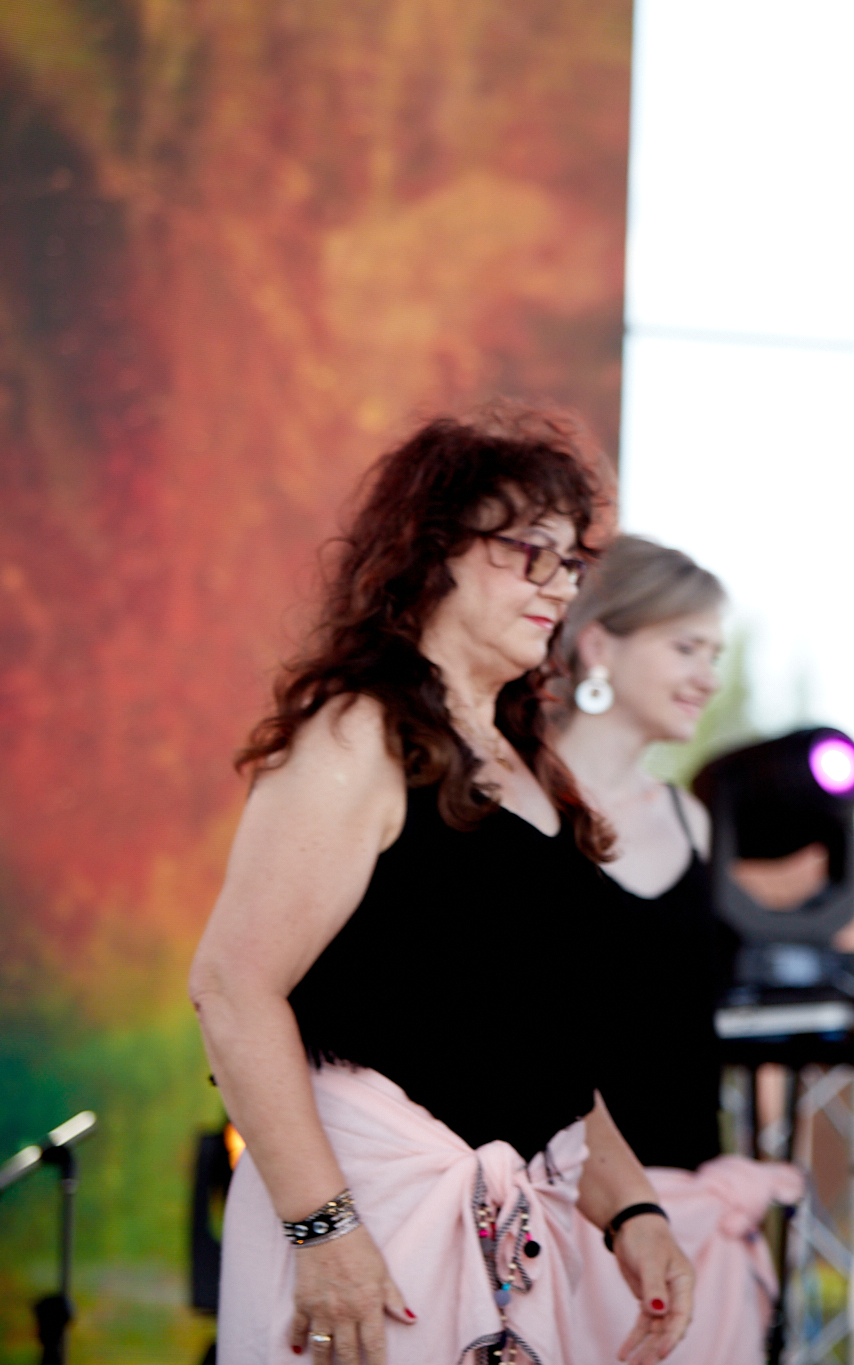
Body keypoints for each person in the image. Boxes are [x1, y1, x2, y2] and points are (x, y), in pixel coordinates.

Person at [191, 410, 695, 1365]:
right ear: (433, 552)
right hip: (368, 1222)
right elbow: (232, 987)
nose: (560, 584)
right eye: (529, 551)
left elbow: (539, 1050)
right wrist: (324, 1229)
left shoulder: (534, 768)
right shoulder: (360, 731)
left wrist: (635, 1212)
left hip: (507, 1239)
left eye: (570, 561)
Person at [549, 534, 804, 1365]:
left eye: (715, 654)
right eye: (685, 647)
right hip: (563, 1221)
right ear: (599, 644)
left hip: (690, 1224)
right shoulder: (519, 809)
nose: (707, 675)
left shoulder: (693, 823)